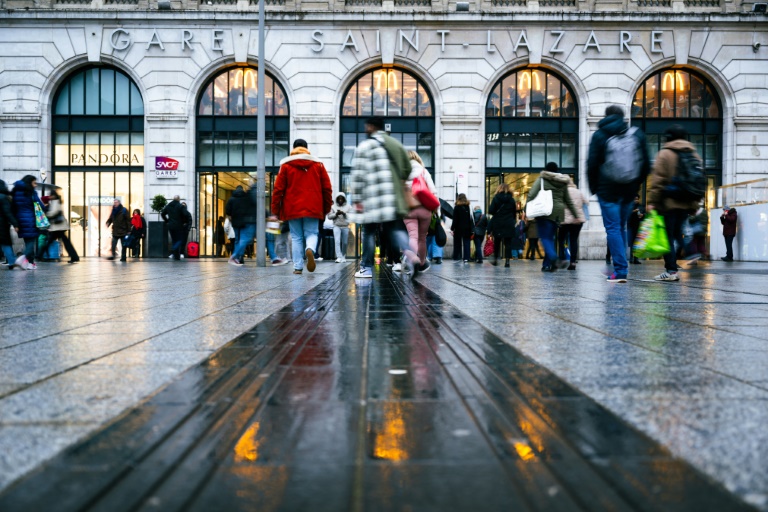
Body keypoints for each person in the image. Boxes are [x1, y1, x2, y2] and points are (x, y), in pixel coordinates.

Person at [350, 116, 420, 279]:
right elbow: (407, 168)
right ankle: (413, 257)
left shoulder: (365, 146)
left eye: (367, 126)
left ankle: (366, 268)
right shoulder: (395, 144)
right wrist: (397, 180)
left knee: (368, 231)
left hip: (371, 198)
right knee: (394, 230)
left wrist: (357, 198)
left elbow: (358, 174)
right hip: (391, 197)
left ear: (371, 126)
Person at [587, 105, 650, 283]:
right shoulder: (636, 134)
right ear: (623, 117)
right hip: (628, 191)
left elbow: (592, 164)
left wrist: (595, 188)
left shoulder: (600, 135)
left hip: (607, 191)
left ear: (606, 116)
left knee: (613, 228)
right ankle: (621, 266)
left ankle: (620, 270)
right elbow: (646, 164)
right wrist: (636, 185)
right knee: (621, 227)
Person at [647, 124, 704, 281]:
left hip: (669, 203)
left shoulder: (665, 154)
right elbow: (698, 182)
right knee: (679, 233)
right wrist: (694, 205)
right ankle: (691, 253)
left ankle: (671, 271)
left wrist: (652, 202)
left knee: (668, 237)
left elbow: (657, 181)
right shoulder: (693, 155)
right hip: (686, 203)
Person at [271, 138, 333, 275]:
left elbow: (278, 190)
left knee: (296, 237)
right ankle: (310, 249)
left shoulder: (286, 166)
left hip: (292, 208)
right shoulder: (318, 165)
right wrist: (326, 207)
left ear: (293, 149)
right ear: (307, 148)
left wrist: (276, 210)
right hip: (313, 207)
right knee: (312, 233)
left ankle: (298, 267)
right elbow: (327, 188)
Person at [526, 163, 579, 272]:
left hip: (544, 211)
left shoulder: (542, 179)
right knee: (550, 239)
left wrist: (527, 207)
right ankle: (548, 264)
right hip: (558, 214)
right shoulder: (563, 182)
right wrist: (576, 215)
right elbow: (568, 200)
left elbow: (531, 194)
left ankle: (554, 259)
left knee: (545, 238)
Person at [404, 151, 438, 272]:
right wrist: (435, 209)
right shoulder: (423, 171)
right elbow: (433, 191)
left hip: (408, 209)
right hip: (425, 209)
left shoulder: (402, 172)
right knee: (422, 238)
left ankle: (414, 261)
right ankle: (422, 263)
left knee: (412, 236)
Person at [10, 175, 44, 270]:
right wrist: (45, 208)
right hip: (31, 220)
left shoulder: (16, 192)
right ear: (30, 183)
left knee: (28, 241)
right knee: (31, 242)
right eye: (34, 183)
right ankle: (22, 258)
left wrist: (15, 223)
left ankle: (30, 263)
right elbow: (40, 205)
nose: (35, 185)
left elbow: (13, 208)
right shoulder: (31, 193)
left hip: (20, 220)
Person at [41, 189, 80, 264]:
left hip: (58, 227)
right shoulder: (56, 201)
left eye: (51, 195)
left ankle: (40, 255)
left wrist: (46, 214)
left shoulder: (55, 202)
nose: (50, 197)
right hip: (58, 227)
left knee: (53, 242)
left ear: (54, 195)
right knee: (62, 242)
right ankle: (74, 257)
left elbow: (53, 212)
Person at [558, 176, 587, 270]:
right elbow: (586, 202)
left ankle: (562, 259)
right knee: (573, 240)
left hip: (565, 219)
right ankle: (573, 262)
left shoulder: (562, 191)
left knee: (561, 239)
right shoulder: (579, 192)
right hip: (577, 219)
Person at [225, 185, 257, 267]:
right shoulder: (245, 198)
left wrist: (232, 217)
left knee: (237, 240)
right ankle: (240, 257)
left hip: (235, 222)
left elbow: (228, 212)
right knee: (242, 240)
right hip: (244, 222)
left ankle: (235, 257)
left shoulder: (231, 199)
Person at [488, 183, 517, 267]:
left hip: (498, 223)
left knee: (497, 242)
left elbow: (491, 210)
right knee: (508, 243)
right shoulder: (511, 199)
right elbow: (514, 212)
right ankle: (507, 261)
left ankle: (496, 260)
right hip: (509, 223)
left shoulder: (496, 198)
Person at [0, 180, 20, 269]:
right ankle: (11, 262)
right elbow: (7, 212)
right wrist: (15, 223)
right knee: (6, 244)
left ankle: (11, 261)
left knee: (5, 244)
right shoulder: (3, 197)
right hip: (2, 225)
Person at [161, 195, 188, 261]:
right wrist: (184, 221)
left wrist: (167, 221)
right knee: (180, 239)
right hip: (179, 225)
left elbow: (162, 214)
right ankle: (174, 248)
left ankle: (176, 256)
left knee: (174, 240)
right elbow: (186, 214)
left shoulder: (168, 206)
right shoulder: (180, 206)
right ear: (178, 199)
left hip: (170, 225)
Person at [328, 192, 350, 263]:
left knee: (345, 242)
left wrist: (344, 214)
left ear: (344, 199)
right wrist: (336, 214)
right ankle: (338, 257)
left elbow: (351, 217)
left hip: (345, 226)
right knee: (337, 241)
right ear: (337, 199)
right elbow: (329, 216)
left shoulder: (349, 206)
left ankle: (343, 256)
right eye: (339, 198)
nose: (340, 200)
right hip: (336, 226)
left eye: (341, 198)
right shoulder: (333, 207)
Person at [451, 194, 473, 263]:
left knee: (457, 243)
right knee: (466, 243)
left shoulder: (457, 207)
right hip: (467, 228)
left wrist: (452, 228)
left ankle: (457, 256)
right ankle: (466, 258)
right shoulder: (468, 207)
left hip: (458, 228)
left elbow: (455, 219)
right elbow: (471, 219)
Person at [628, 195, 644, 264]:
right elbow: (628, 215)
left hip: (638, 226)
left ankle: (636, 258)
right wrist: (634, 211)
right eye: (635, 199)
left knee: (637, 243)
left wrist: (642, 215)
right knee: (632, 242)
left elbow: (643, 215)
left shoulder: (640, 206)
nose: (636, 200)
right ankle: (631, 258)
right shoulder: (630, 206)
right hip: (631, 226)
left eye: (637, 199)